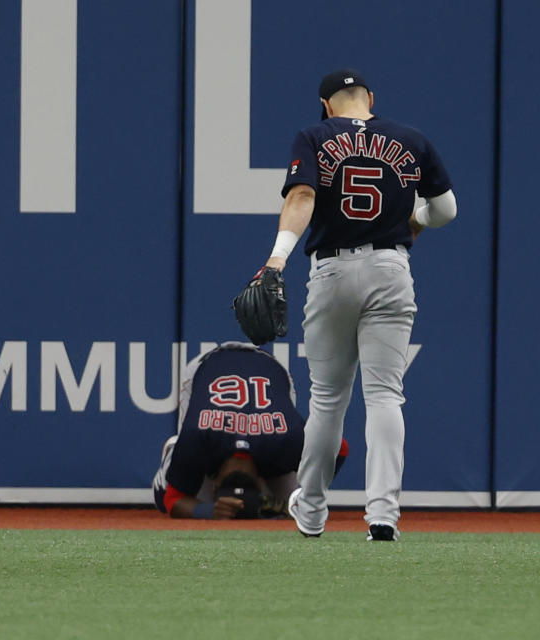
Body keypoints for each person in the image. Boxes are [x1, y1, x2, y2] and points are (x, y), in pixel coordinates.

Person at [259, 69, 457, 540]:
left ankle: (310, 512)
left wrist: (276, 259)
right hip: (391, 268)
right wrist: (417, 219)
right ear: (370, 98)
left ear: (327, 106)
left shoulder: (314, 135)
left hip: (332, 270)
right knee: (386, 395)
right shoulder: (412, 139)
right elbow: (446, 209)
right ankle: (383, 516)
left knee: (328, 400)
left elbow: (303, 195)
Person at [152, 342, 348, 519]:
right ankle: (175, 453)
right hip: (215, 368)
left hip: (265, 369)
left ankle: (176, 453)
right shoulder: (197, 438)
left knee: (291, 506)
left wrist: (306, 497)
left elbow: (340, 448)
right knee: (167, 494)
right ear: (261, 484)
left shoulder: (286, 441)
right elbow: (339, 447)